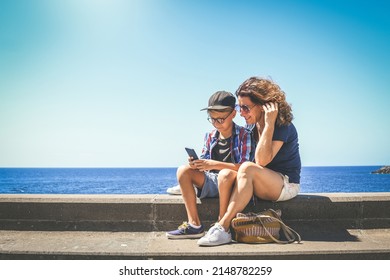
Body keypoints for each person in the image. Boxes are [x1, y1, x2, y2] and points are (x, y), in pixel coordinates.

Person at [197, 77, 301, 246]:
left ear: (263, 105)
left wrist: (269, 124)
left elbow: (261, 161)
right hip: (261, 181)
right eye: (239, 107)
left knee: (247, 168)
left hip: (285, 184)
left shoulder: (283, 126)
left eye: (245, 108)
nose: (241, 113)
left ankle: (222, 227)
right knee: (234, 171)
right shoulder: (251, 128)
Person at [166, 91, 255, 239]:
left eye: (220, 119)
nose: (216, 123)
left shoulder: (244, 134)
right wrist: (197, 164)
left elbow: (245, 167)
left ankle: (221, 224)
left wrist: (214, 164)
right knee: (183, 170)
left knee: (224, 174)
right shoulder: (210, 135)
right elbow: (205, 161)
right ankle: (194, 225)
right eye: (212, 119)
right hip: (212, 180)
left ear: (233, 114)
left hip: (233, 183)